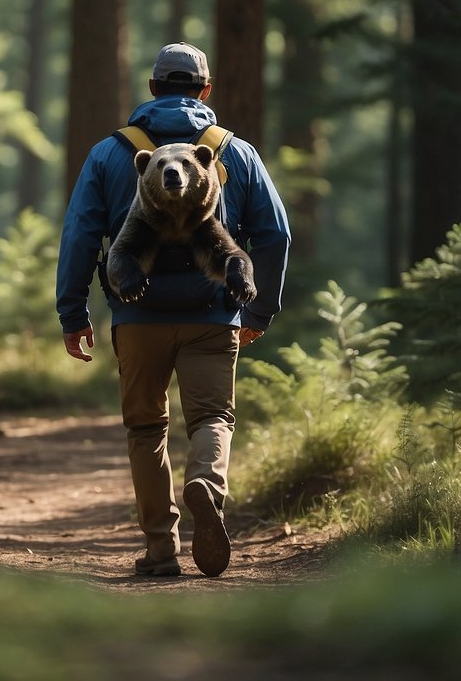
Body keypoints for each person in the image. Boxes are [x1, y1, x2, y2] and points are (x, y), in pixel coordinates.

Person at [56, 42, 290, 578]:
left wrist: (74, 314)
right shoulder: (234, 151)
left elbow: (80, 236)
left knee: (145, 429)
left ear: (153, 89)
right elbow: (276, 232)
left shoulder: (111, 152)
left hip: (138, 319)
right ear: (205, 91)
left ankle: (161, 551)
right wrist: (260, 311)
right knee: (212, 417)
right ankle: (205, 486)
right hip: (213, 315)